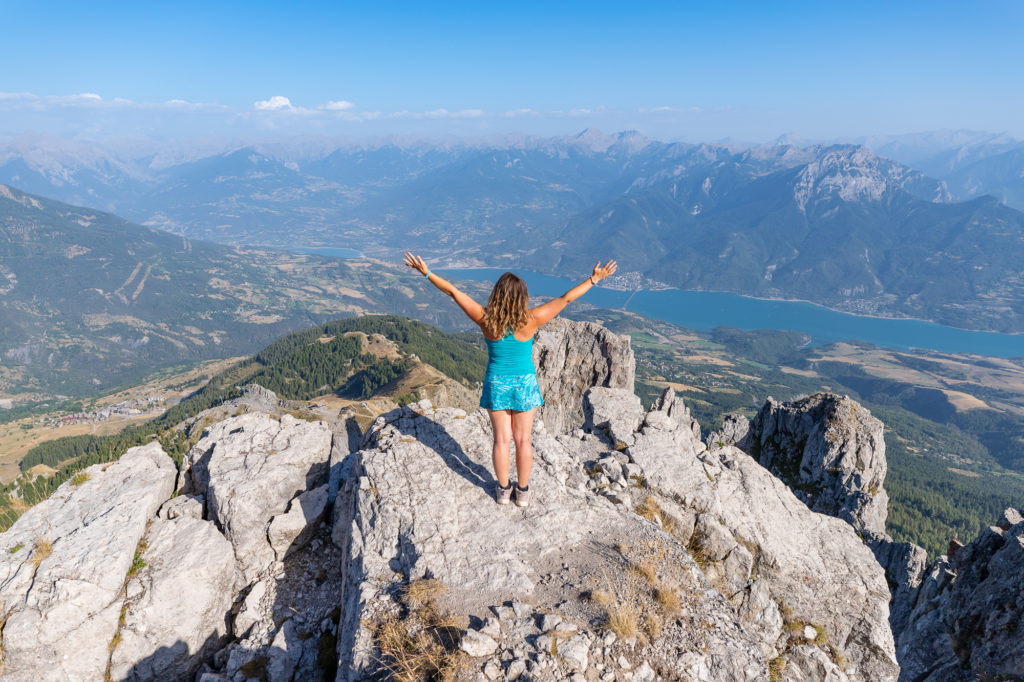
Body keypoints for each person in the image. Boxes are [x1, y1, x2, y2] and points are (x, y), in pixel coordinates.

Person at [403, 253, 618, 507]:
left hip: (497, 383)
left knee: (501, 440)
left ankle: (503, 491)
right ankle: (523, 493)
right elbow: (566, 298)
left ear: (497, 295)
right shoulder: (532, 319)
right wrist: (594, 279)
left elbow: (453, 292)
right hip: (525, 384)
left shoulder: (485, 319)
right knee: (524, 440)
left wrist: (427, 273)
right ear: (522, 297)